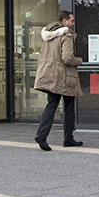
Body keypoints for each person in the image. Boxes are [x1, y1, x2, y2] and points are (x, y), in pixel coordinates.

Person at [33, 10, 83, 150]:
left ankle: (42, 135)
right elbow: (68, 58)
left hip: (49, 74)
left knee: (51, 104)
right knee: (69, 106)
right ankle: (66, 138)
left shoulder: (47, 35)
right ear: (64, 21)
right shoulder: (66, 35)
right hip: (63, 76)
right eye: (71, 21)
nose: (73, 23)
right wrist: (79, 60)